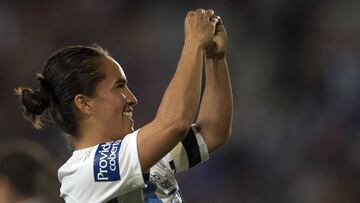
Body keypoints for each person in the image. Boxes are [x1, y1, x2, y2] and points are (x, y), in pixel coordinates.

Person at [15, 8, 232, 203]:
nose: (132, 98)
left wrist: (214, 58)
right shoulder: (85, 171)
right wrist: (193, 44)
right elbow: (174, 123)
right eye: (119, 87)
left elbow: (213, 132)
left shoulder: (138, 155)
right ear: (84, 103)